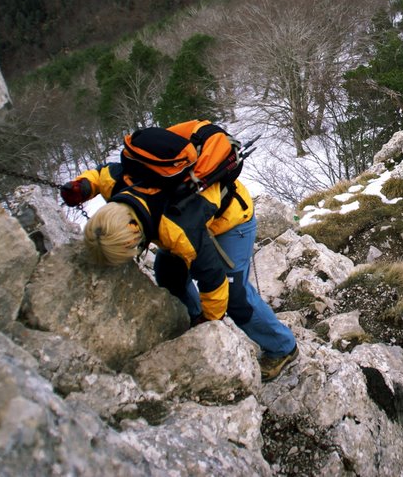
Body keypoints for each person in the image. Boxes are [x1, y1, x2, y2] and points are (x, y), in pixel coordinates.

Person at [61, 122, 298, 382]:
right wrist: (82, 187)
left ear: (136, 239)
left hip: (232, 223)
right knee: (168, 275)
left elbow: (214, 281)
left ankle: (282, 348)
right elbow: (101, 174)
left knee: (234, 296)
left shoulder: (177, 230)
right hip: (192, 225)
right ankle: (191, 317)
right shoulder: (120, 190)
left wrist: (209, 322)